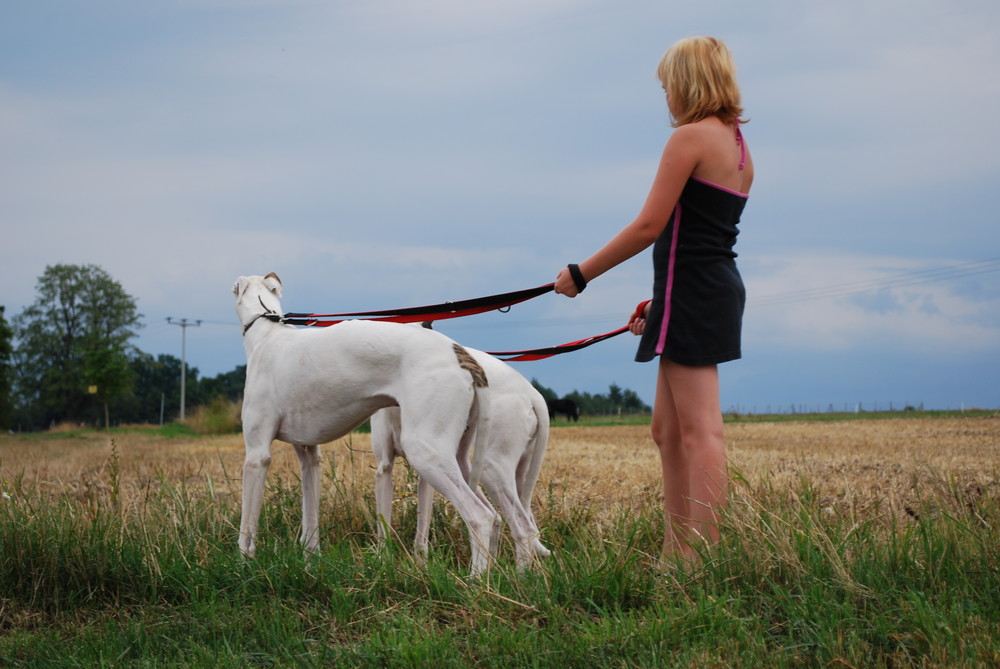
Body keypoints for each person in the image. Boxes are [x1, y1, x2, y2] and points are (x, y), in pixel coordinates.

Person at [553, 36, 753, 562]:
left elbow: (649, 226)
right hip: (702, 288)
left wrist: (582, 273)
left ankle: (698, 564)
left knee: (700, 431)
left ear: (688, 84)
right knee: (667, 431)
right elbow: (699, 237)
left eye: (668, 86)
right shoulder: (735, 144)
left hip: (695, 292)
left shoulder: (689, 138)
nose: (666, 97)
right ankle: (674, 553)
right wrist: (660, 299)